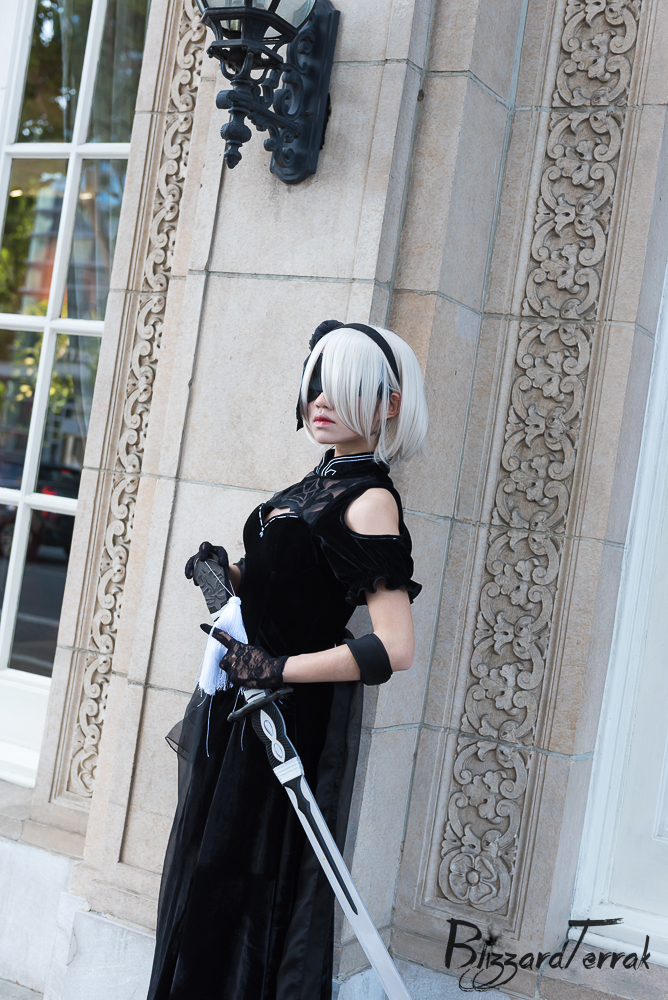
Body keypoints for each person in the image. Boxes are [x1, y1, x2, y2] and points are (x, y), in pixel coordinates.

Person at [147, 319, 429, 1000]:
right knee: (215, 883)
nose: (320, 399)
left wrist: (275, 672)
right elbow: (288, 585)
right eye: (315, 383)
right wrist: (227, 576)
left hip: (284, 718)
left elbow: (393, 647)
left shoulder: (370, 501)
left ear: (389, 404)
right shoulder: (317, 480)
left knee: (253, 895)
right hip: (246, 707)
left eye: (342, 386)